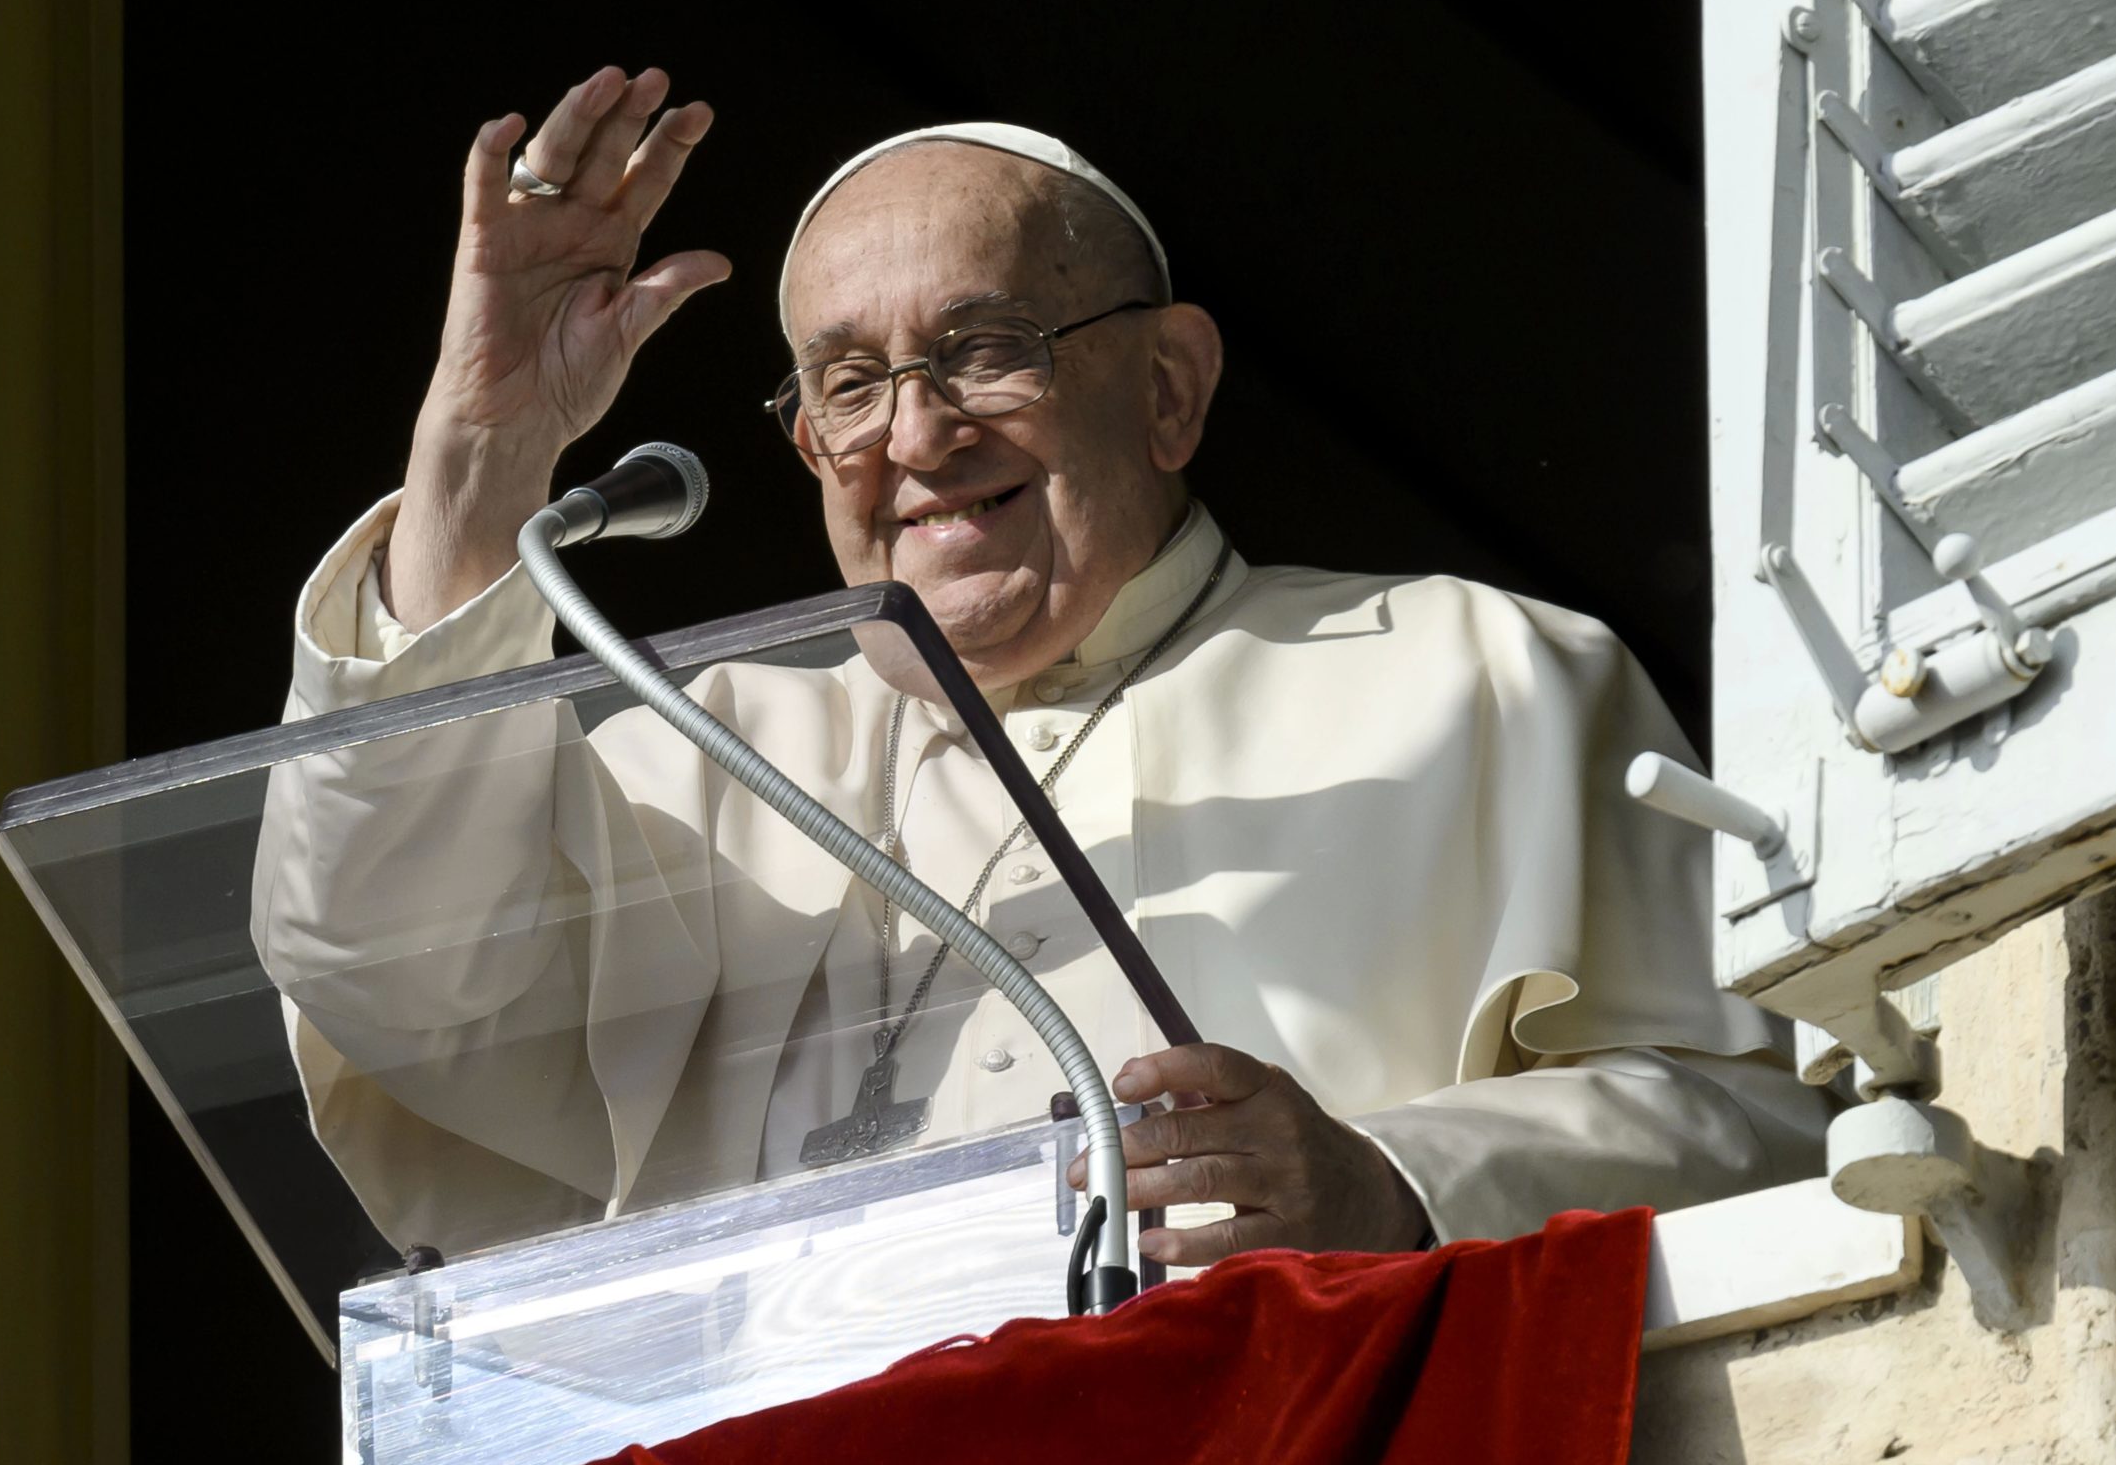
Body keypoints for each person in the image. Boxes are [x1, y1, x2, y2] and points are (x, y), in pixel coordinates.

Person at [251, 65, 1828, 1270]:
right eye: (848, 384)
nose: (918, 440)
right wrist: (477, 460)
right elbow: (387, 972)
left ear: (1168, 387)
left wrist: (1391, 1184)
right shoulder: (704, 747)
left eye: (986, 349)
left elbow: (1768, 1123)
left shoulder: (1485, 675)